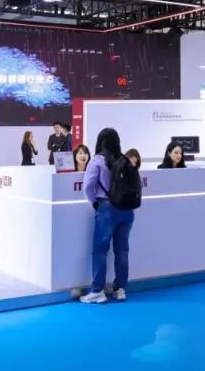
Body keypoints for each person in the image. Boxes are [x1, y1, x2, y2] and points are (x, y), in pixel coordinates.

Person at [81, 127, 135, 304]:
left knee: (100, 250)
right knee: (122, 250)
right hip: (127, 210)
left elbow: (88, 185)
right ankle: (120, 289)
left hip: (107, 208)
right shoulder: (125, 160)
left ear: (100, 142)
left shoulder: (96, 160)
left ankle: (98, 290)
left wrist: (94, 202)